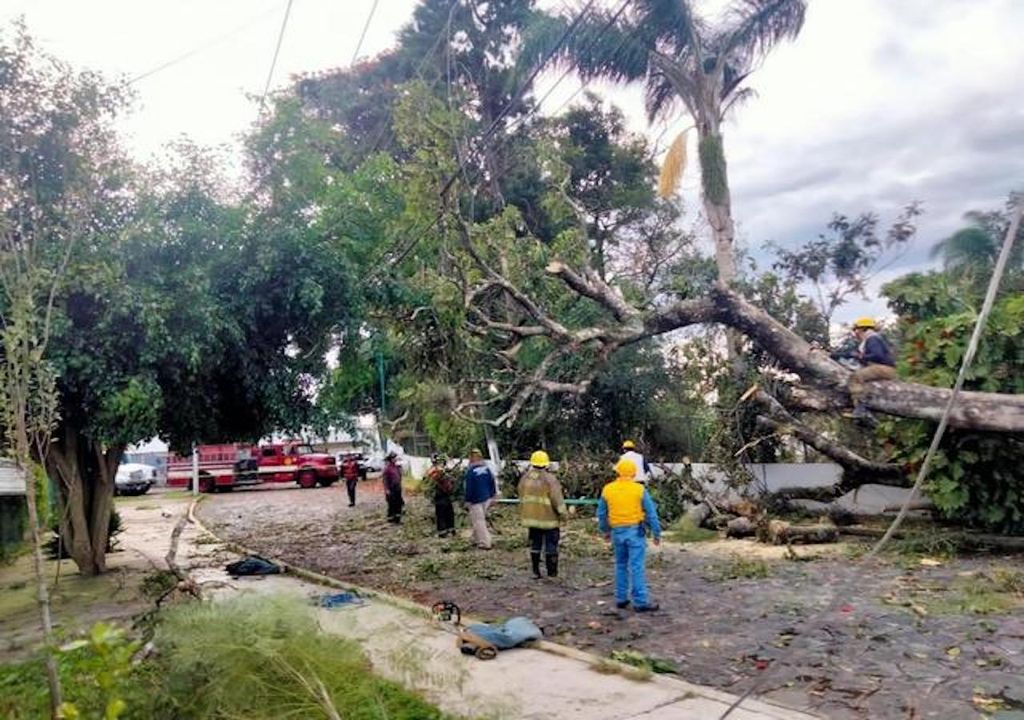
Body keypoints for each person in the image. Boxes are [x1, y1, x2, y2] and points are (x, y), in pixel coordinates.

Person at [597, 458, 662, 612]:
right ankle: (640, 601)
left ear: (618, 472)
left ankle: (621, 598)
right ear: (633, 474)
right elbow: (651, 513)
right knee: (637, 566)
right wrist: (656, 532)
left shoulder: (608, 489)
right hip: (635, 531)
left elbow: (601, 513)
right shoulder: (639, 490)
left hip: (617, 532)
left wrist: (605, 530)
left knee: (620, 565)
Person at [518, 450, 567, 579]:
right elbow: (557, 500)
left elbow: (521, 496)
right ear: (546, 464)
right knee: (551, 545)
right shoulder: (550, 479)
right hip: (549, 520)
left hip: (531, 519)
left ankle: (535, 572)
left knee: (535, 544)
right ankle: (552, 573)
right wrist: (563, 514)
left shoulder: (525, 478)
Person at [847, 317, 897, 424]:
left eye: (856, 329)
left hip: (885, 368)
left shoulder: (872, 339)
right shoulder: (869, 340)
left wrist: (861, 357)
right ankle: (867, 415)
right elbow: (850, 354)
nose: (855, 333)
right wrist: (831, 354)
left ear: (862, 329)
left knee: (855, 377)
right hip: (883, 368)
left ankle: (861, 408)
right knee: (864, 383)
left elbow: (877, 355)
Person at [463, 448, 496, 549]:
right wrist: (493, 495)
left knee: (479, 521)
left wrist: (467, 500)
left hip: (475, 500)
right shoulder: (486, 469)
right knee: (479, 520)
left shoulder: (470, 472)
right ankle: (477, 539)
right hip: (486, 498)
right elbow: (492, 482)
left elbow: (469, 487)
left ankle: (485, 543)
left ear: (471, 458)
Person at [427, 453, 456, 537]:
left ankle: (447, 530)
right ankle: (446, 531)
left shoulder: (441, 471)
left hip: (443, 494)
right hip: (442, 494)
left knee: (445, 513)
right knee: (445, 513)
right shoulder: (437, 471)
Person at [382, 452, 404, 524]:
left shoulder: (396, 467)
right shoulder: (387, 469)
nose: (395, 459)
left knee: (399, 503)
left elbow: (399, 477)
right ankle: (392, 518)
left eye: (395, 458)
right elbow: (385, 480)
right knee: (392, 504)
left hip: (397, 488)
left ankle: (397, 518)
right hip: (391, 488)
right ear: (390, 459)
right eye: (393, 458)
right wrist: (387, 489)